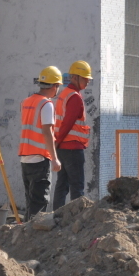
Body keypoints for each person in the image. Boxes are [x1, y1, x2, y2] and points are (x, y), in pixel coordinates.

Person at [19, 66, 63, 218]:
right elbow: (47, 132)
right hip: (39, 159)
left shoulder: (26, 102)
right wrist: (55, 159)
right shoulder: (46, 104)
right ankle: (33, 231)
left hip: (25, 158)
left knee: (31, 202)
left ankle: (26, 229)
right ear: (55, 86)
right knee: (39, 203)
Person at [52, 61, 93, 210]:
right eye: (85, 78)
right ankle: (77, 217)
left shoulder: (64, 94)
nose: (88, 81)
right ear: (75, 77)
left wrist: (57, 144)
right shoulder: (74, 97)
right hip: (72, 148)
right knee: (77, 186)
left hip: (63, 148)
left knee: (62, 184)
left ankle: (57, 215)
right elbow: (67, 123)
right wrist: (57, 142)